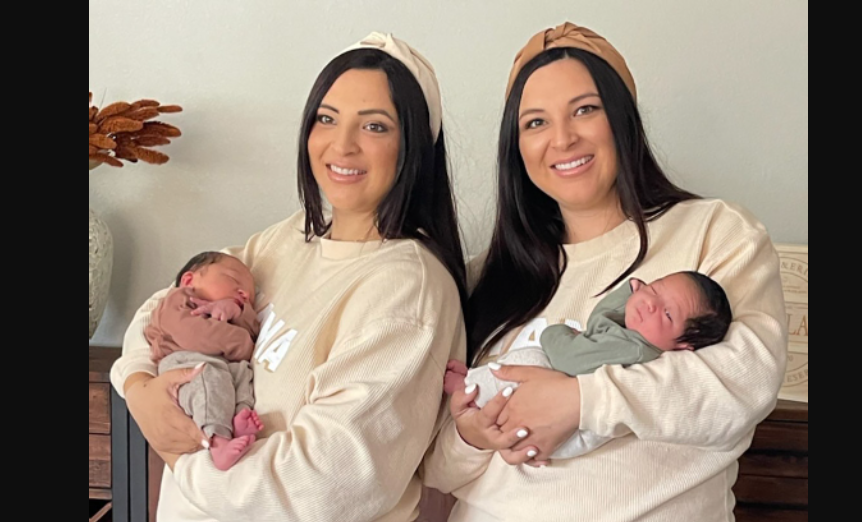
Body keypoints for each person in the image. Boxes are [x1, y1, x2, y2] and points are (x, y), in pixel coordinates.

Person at [421, 22, 788, 522]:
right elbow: (433, 469)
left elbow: (746, 380)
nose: (563, 138)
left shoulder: (715, 232)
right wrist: (471, 436)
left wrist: (582, 400)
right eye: (535, 122)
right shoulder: (484, 277)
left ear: (622, 119)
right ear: (516, 146)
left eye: (585, 110)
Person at [111, 32, 468, 522]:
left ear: (414, 147)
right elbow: (164, 304)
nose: (342, 144)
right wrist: (138, 388)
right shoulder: (290, 240)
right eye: (327, 118)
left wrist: (179, 454)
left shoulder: (407, 289)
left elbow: (321, 484)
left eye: (375, 126)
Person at [443, 270, 732, 459]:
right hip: (542, 433)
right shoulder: (635, 337)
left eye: (668, 314)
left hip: (565, 435)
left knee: (532, 358)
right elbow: (599, 322)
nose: (650, 304)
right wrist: (630, 292)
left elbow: (567, 358)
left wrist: (555, 333)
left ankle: (471, 387)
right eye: (654, 289)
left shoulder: (631, 349)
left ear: (683, 345)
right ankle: (477, 383)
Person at [145, 251, 263, 471]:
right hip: (183, 362)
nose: (245, 293)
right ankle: (217, 443)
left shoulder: (234, 314)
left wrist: (237, 311)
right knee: (208, 378)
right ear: (189, 280)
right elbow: (194, 336)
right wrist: (241, 341)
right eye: (233, 280)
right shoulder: (179, 299)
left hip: (221, 363)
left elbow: (253, 334)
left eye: (249, 296)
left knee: (242, 372)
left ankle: (239, 418)